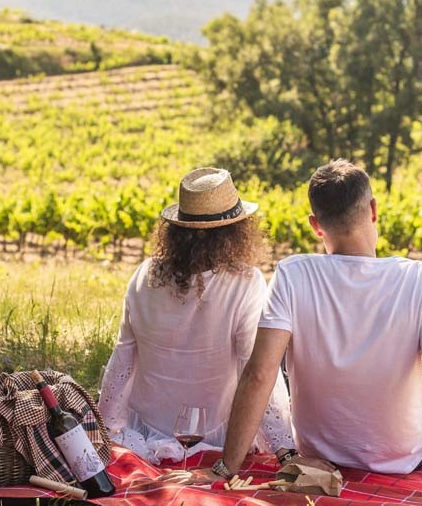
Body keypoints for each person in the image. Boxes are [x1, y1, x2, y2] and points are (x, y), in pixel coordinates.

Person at [212, 159, 422, 502]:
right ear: (373, 210)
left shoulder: (292, 274)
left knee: (286, 347)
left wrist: (225, 468)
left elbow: (259, 373)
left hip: (318, 451)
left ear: (315, 225)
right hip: (401, 457)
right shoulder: (421, 278)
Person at [97, 167, 295, 464]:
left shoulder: (144, 275)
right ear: (235, 232)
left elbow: (122, 361)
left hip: (145, 433)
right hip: (214, 438)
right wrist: (284, 448)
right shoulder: (246, 282)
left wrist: (106, 429)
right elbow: (255, 370)